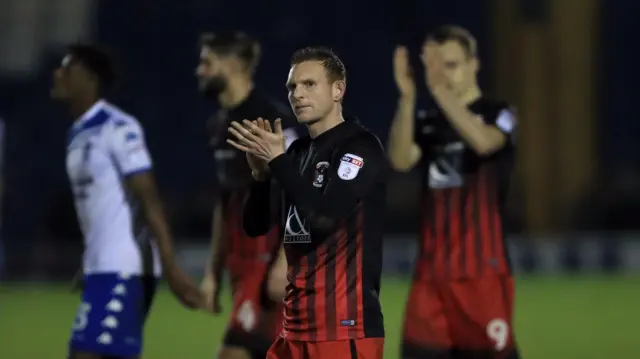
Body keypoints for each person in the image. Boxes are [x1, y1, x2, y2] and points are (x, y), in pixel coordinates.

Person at [227, 47, 386, 359]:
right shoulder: (298, 153)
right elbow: (256, 226)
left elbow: (325, 216)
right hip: (294, 330)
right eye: (292, 87)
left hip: (343, 330)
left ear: (338, 89)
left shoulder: (359, 146)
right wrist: (260, 178)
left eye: (309, 84)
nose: (297, 94)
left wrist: (278, 160)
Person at [51, 43, 203, 359]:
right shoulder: (76, 134)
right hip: (101, 268)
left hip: (125, 269)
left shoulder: (119, 128)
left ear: (90, 79)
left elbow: (149, 201)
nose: (58, 74)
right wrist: (89, 258)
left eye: (67, 68)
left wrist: (171, 267)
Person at [387, 26, 520, 358]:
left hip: (480, 274)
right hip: (430, 275)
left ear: (474, 63)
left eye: (451, 65)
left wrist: (439, 91)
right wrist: (407, 99)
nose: (443, 75)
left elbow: (485, 142)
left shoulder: (499, 113)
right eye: (435, 66)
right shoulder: (430, 123)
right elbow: (401, 160)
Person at [195, 32, 298, 359]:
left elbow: (300, 192)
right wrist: (213, 273)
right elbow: (225, 203)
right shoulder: (218, 125)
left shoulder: (271, 120)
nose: (200, 70)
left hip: (268, 265)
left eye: (207, 63)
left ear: (231, 66)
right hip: (241, 268)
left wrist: (285, 260)